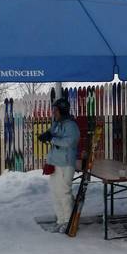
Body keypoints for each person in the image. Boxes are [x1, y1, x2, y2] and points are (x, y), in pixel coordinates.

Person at [38, 97, 80, 233]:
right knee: (55, 193)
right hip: (55, 163)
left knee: (64, 193)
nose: (53, 112)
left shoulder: (71, 126)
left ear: (62, 110)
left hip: (65, 164)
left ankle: (68, 222)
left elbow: (70, 142)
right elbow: (52, 133)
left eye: (56, 110)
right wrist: (46, 135)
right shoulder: (57, 123)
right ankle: (60, 221)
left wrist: (52, 139)